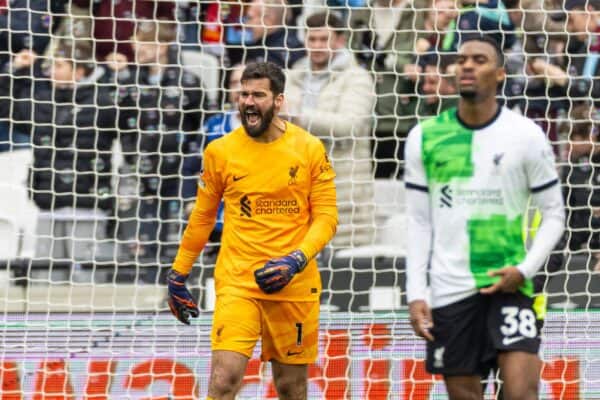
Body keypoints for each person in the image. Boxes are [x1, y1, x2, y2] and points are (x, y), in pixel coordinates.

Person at [404, 34, 565, 400]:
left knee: (522, 393)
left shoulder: (525, 135)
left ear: (500, 74)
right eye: (462, 60)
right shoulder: (424, 137)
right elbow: (418, 222)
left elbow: (554, 213)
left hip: (510, 283)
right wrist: (416, 292)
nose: (468, 66)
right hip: (449, 291)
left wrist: (524, 269)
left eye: (479, 60)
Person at [166, 62, 338, 400]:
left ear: (278, 101)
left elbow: (327, 217)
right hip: (238, 281)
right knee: (223, 379)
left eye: (258, 94)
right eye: (243, 93)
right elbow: (202, 217)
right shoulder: (220, 151)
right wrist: (178, 274)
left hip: (294, 283)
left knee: (291, 388)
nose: (247, 101)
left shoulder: (309, 148)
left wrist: (296, 259)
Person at [107, 20, 204, 260]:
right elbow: (119, 122)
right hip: (142, 173)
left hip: (180, 174)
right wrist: (132, 156)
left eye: (142, 45)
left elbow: (200, 126)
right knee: (143, 239)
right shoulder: (129, 83)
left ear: (161, 46)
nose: (136, 51)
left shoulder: (188, 82)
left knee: (181, 239)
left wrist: (189, 161)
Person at [285, 11, 374, 248]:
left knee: (344, 271)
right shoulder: (292, 77)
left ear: (340, 40)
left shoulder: (358, 78)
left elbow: (349, 125)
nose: (316, 46)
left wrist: (297, 116)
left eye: (323, 39)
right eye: (311, 39)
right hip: (298, 189)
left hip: (344, 191)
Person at [181, 64, 245, 256]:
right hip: (215, 224)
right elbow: (190, 166)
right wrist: (190, 201)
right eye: (234, 83)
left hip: (256, 224)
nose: (238, 89)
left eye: (244, 83)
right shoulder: (214, 126)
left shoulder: (272, 129)